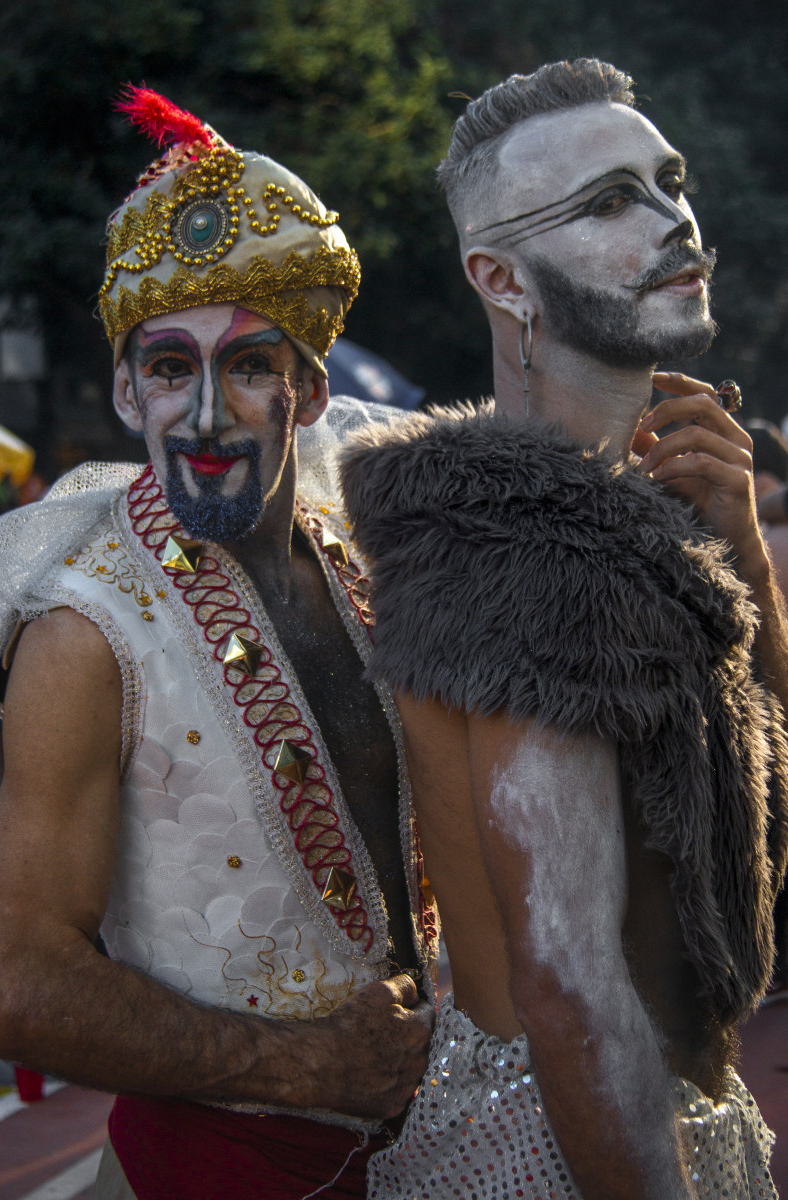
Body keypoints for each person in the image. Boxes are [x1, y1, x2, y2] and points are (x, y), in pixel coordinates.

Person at [339, 59, 788, 1199]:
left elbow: (754, 802)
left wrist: (736, 552)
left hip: (637, 1112)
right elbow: (572, 989)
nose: (672, 216)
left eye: (665, 180)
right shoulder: (532, 548)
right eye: (606, 202)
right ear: (500, 276)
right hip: (562, 1148)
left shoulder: (613, 514)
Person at [0, 88, 435, 1200]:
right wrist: (303, 1065)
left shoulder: (367, 568)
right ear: (126, 389)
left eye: (245, 366)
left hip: (438, 1146)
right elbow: (12, 976)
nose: (201, 417)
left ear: (310, 391)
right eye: (171, 368)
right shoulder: (82, 635)